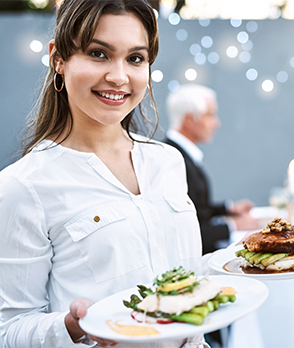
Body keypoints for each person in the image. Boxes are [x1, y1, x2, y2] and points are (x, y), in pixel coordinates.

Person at [0, 1, 209, 347]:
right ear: (58, 59)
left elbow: (189, 280)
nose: (119, 76)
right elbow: (8, 330)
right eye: (98, 54)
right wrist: (71, 328)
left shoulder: (168, 162)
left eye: (135, 58)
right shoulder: (24, 187)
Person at [164, 84, 259, 255]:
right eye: (210, 115)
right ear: (189, 119)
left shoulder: (179, 154)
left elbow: (195, 208)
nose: (217, 123)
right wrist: (232, 226)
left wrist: (228, 209)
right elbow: (181, 230)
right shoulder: (171, 160)